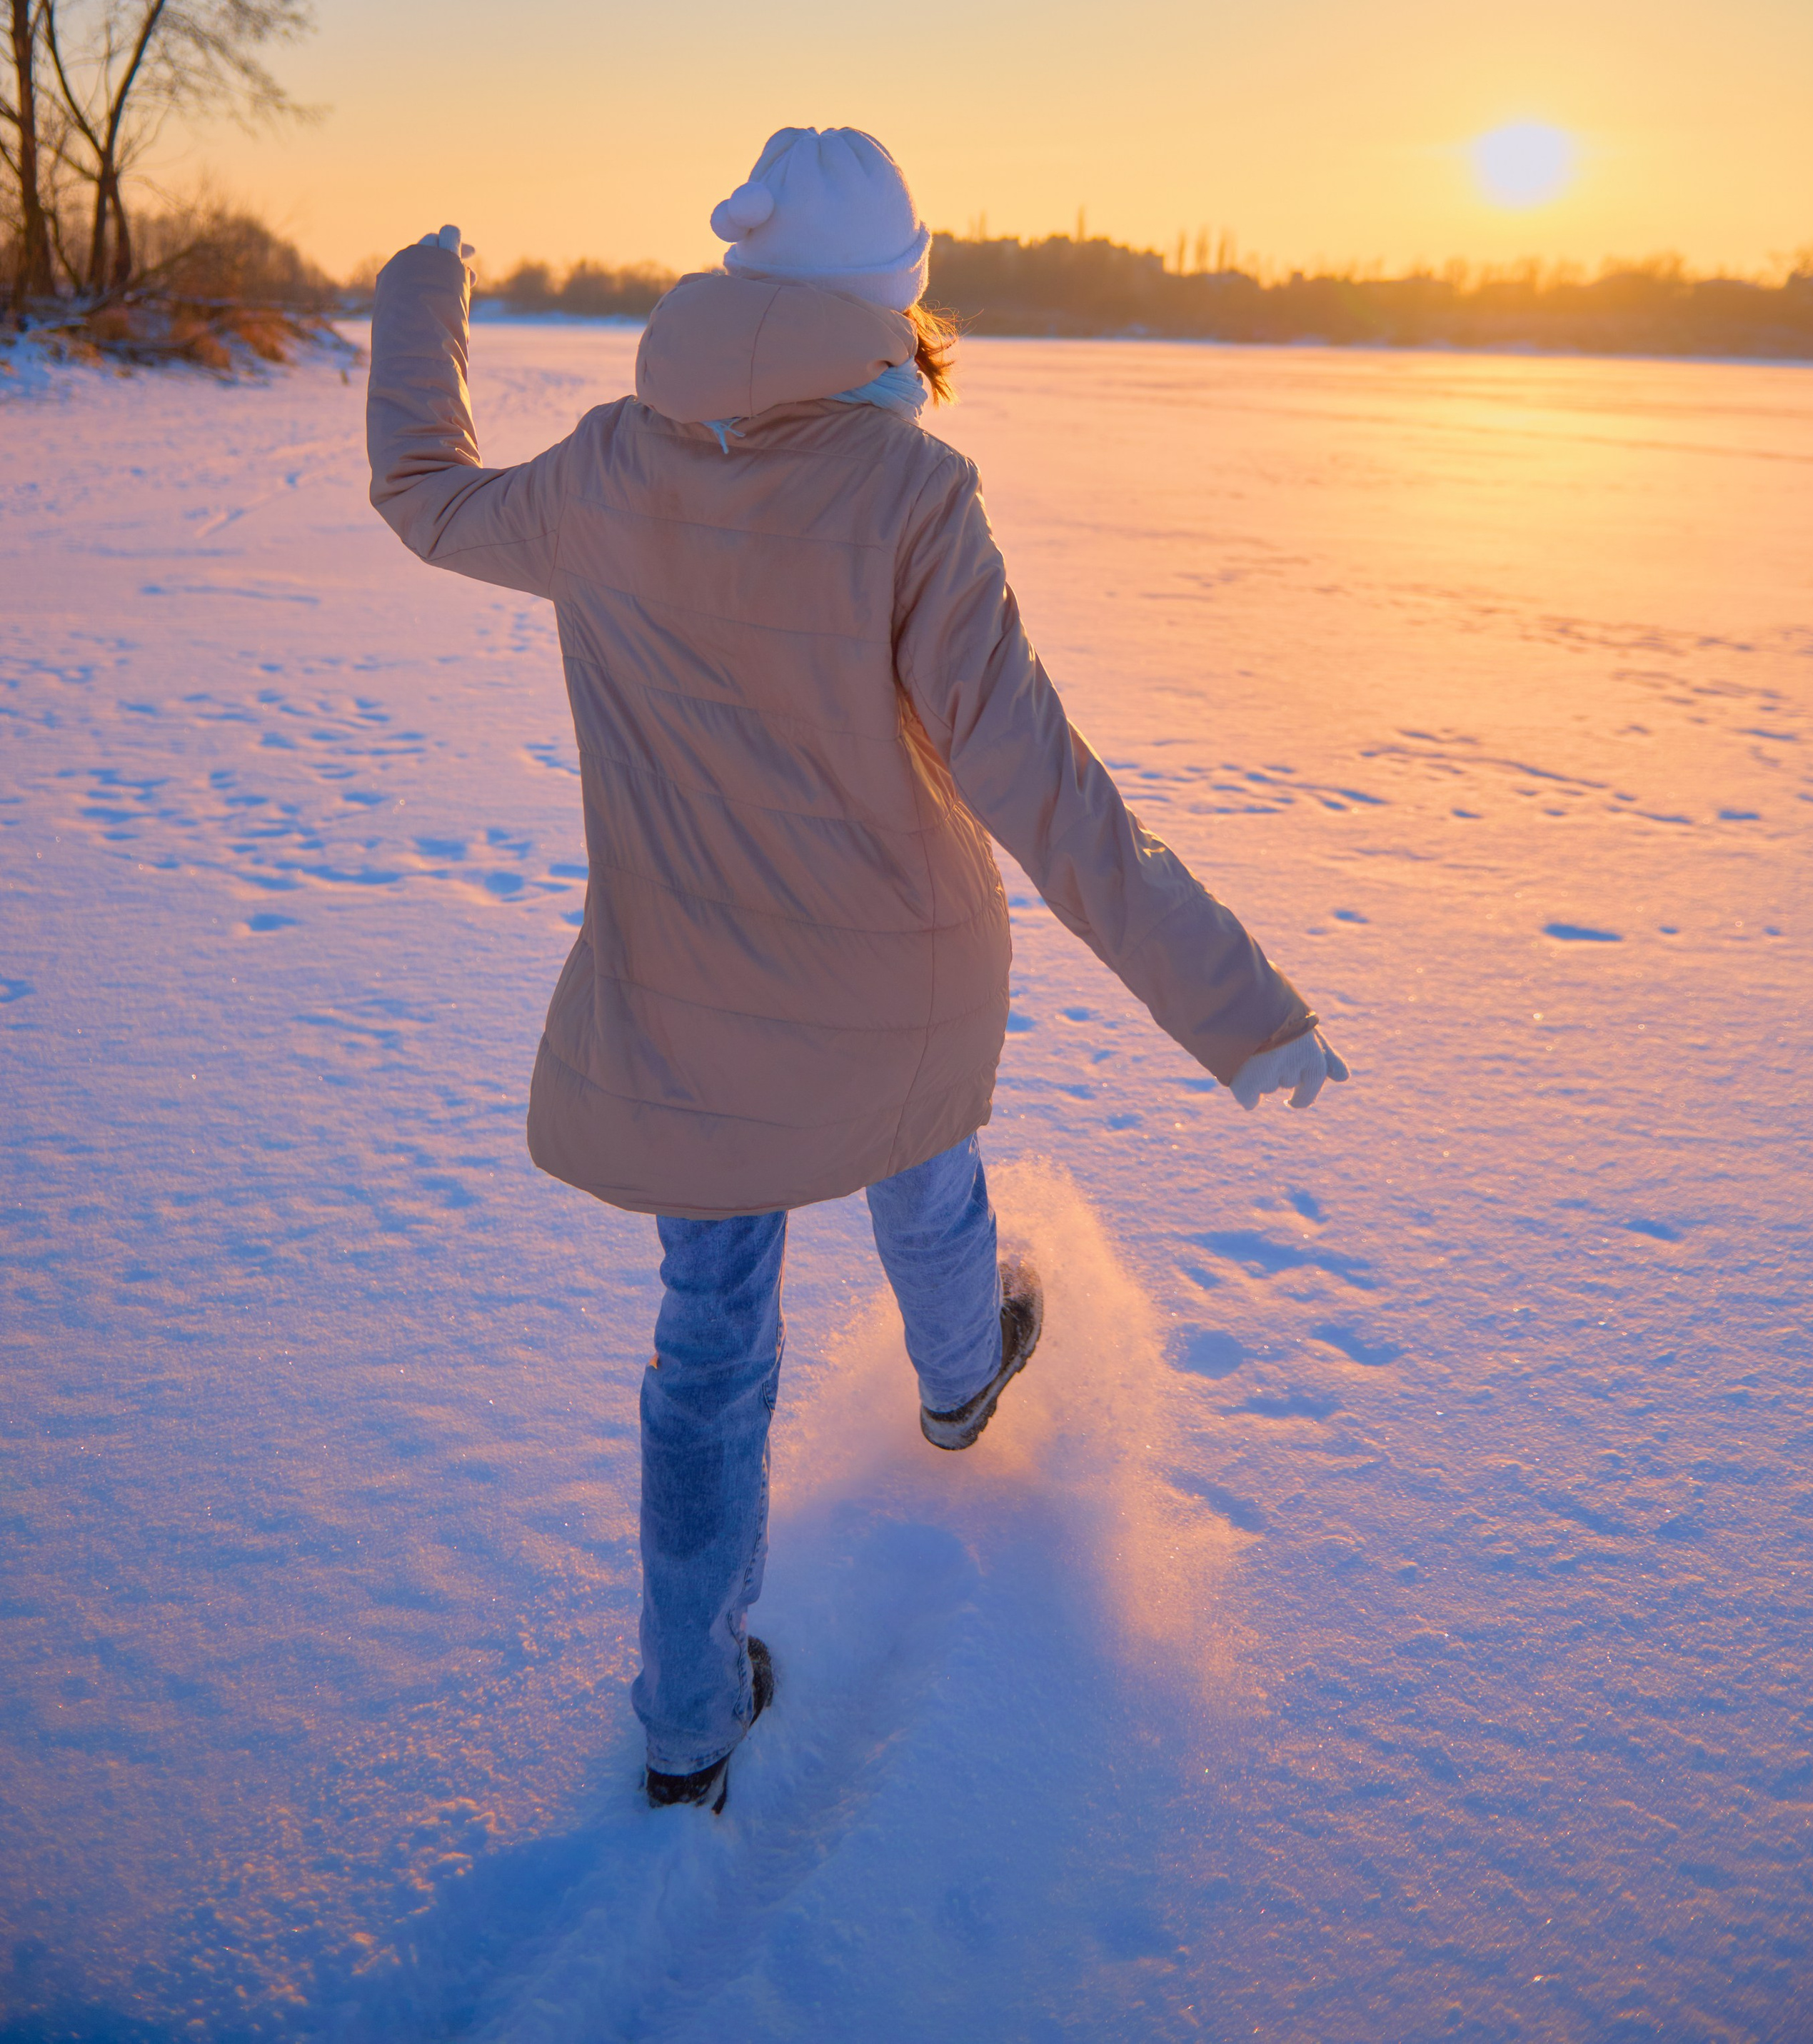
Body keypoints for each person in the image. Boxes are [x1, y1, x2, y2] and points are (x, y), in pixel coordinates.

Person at [366, 126, 1346, 1815]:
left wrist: (414, 301)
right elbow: (1038, 782)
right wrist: (1238, 1008)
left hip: (683, 1011)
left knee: (709, 1339)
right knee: (923, 1176)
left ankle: (688, 1714)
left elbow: (427, 496)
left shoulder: (607, 468)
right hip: (894, 982)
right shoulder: (908, 492)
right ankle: (963, 1384)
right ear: (890, 298)